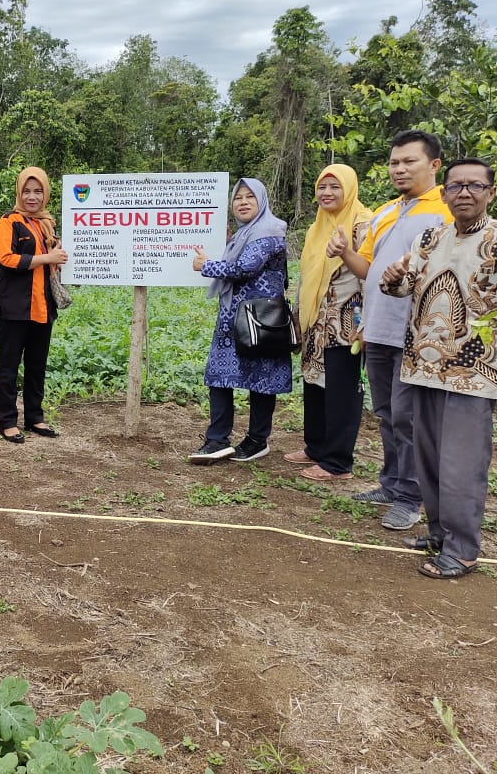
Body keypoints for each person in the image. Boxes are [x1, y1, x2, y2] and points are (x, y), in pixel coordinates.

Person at [380, 158, 497, 579]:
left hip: (475, 371)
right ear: (445, 193)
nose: (464, 193)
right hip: (423, 365)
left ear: (491, 192)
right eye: (456, 186)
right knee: (429, 459)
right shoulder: (431, 237)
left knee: (461, 464)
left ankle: (463, 550)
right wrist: (393, 275)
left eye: (475, 185)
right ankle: (440, 534)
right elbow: (400, 288)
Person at [327, 130, 453, 531]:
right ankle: (392, 483)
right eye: (394, 162)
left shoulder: (447, 211)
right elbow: (368, 270)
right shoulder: (384, 212)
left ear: (434, 165)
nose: (399, 169)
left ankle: (411, 498)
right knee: (386, 413)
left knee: (408, 417)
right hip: (379, 329)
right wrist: (345, 253)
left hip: (419, 335)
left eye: (409, 161)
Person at [188, 178, 291, 464]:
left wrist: (207, 266)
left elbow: (245, 268)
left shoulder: (269, 231)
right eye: (238, 197)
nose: (243, 202)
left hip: (261, 319)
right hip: (232, 318)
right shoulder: (243, 234)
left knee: (262, 379)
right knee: (219, 376)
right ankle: (217, 439)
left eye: (250, 197)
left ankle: (257, 440)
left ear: (262, 201)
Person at [287, 164, 373, 481]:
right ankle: (316, 447)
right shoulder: (316, 228)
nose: (327, 193)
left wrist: (367, 323)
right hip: (316, 321)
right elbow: (307, 276)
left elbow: (370, 273)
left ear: (348, 189)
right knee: (314, 383)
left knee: (342, 390)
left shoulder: (363, 223)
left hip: (346, 322)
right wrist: (299, 316)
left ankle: (337, 462)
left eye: (335, 187)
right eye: (322, 187)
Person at [0, 167, 69, 443]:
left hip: (43, 307)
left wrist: (57, 258)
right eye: (26, 191)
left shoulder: (46, 224)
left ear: (45, 193)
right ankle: (7, 421)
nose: (32, 197)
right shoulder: (9, 222)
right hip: (14, 308)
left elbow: (54, 263)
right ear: (19, 192)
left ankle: (35, 417)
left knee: (37, 365)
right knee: (9, 367)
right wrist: (47, 258)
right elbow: (7, 259)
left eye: (38, 191)